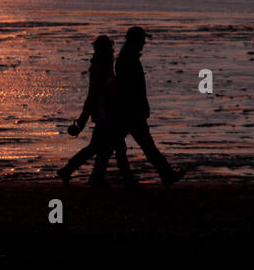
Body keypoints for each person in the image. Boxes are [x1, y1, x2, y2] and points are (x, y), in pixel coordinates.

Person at [94, 26, 184, 187]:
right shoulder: (128, 60)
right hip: (131, 112)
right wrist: (139, 107)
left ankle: (101, 177)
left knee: (113, 145)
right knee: (142, 146)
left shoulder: (126, 58)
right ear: (135, 41)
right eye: (141, 40)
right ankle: (165, 174)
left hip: (128, 111)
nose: (143, 43)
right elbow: (130, 89)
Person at [57, 35, 135, 187]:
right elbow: (92, 95)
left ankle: (85, 175)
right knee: (112, 147)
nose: (113, 51)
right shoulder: (100, 69)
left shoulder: (105, 67)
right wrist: (82, 120)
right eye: (110, 49)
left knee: (102, 148)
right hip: (105, 116)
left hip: (108, 114)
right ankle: (114, 179)